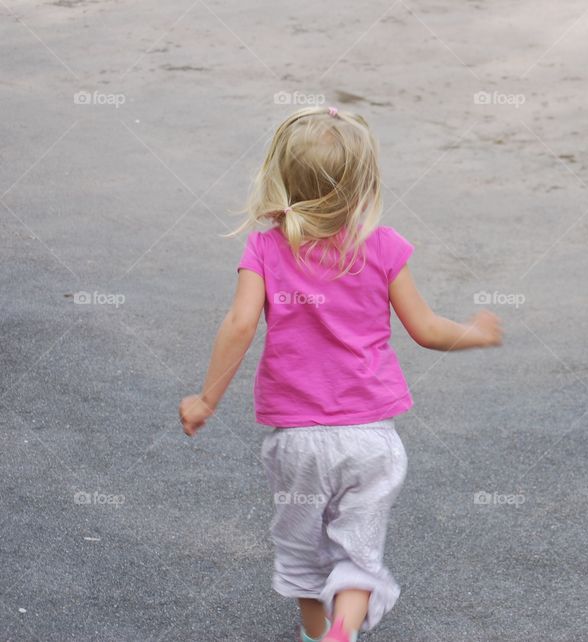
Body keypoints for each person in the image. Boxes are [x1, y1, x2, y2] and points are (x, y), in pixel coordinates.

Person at [178, 106, 502, 642]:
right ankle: (343, 630)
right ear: (364, 184)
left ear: (279, 178)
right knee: (358, 552)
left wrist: (207, 399)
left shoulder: (264, 246)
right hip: (371, 439)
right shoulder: (383, 247)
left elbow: (239, 324)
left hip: (299, 442)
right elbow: (426, 329)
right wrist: (478, 332)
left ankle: (316, 635)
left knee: (304, 551)